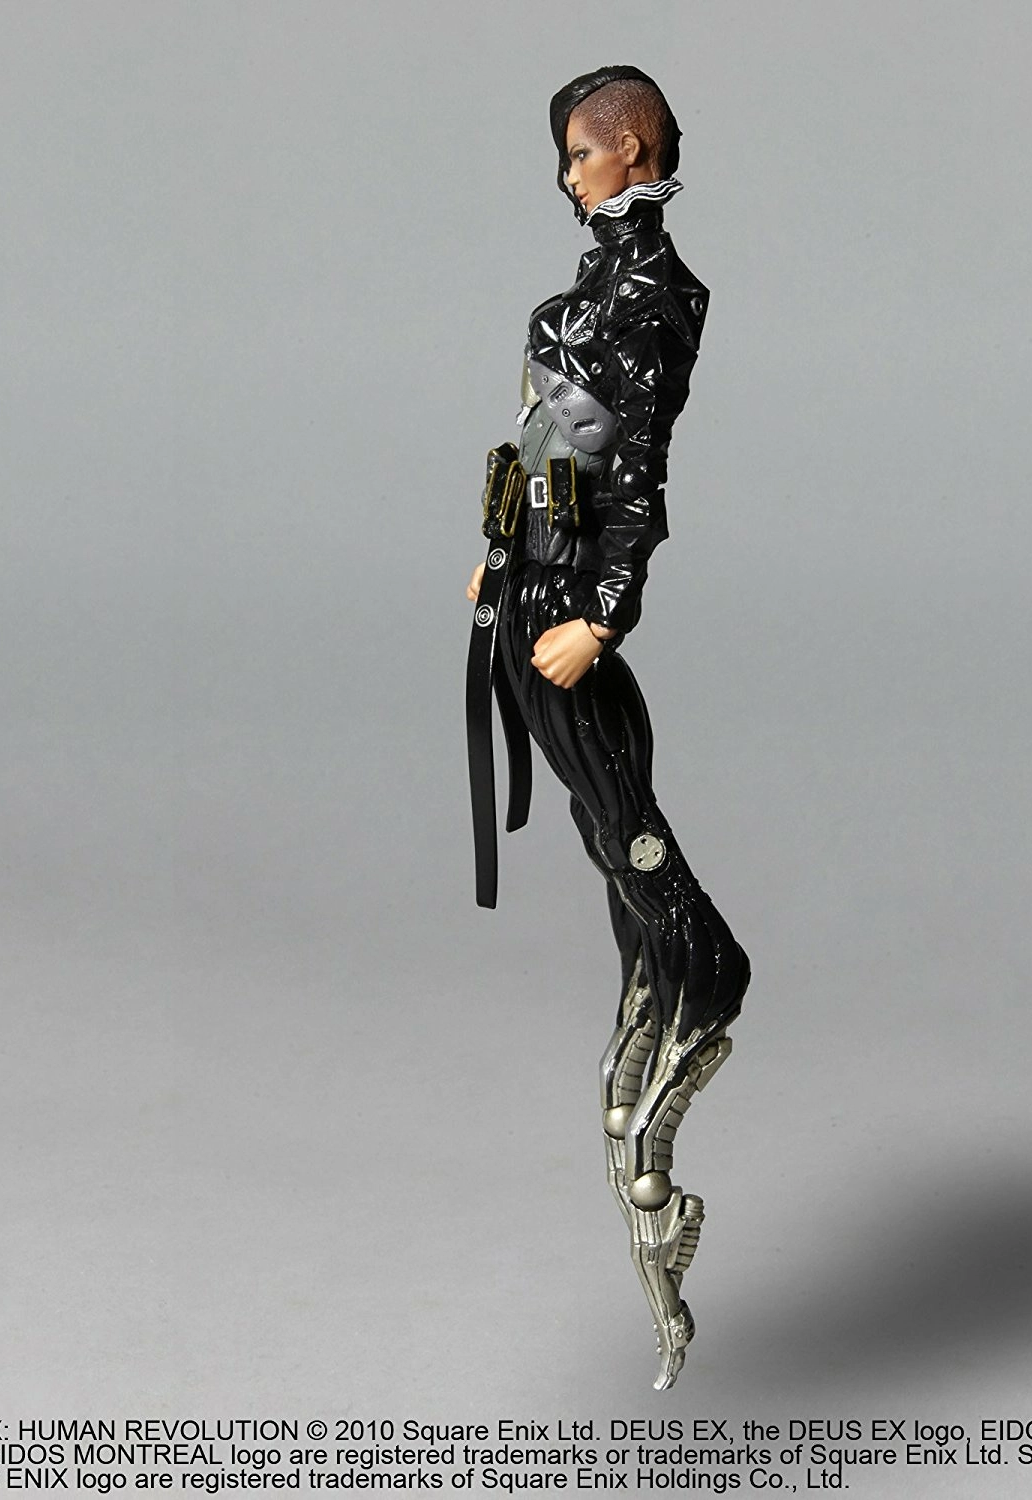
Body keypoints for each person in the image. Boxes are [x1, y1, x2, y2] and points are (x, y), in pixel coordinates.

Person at [464, 65, 749, 1390]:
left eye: (577, 155)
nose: (567, 177)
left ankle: (703, 969)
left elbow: (638, 467)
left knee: (620, 813)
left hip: (575, 602)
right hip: (527, 585)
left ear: (628, 150)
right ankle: (651, 981)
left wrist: (606, 615)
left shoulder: (658, 299)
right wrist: (495, 548)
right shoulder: (576, 296)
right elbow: (534, 434)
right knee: (596, 825)